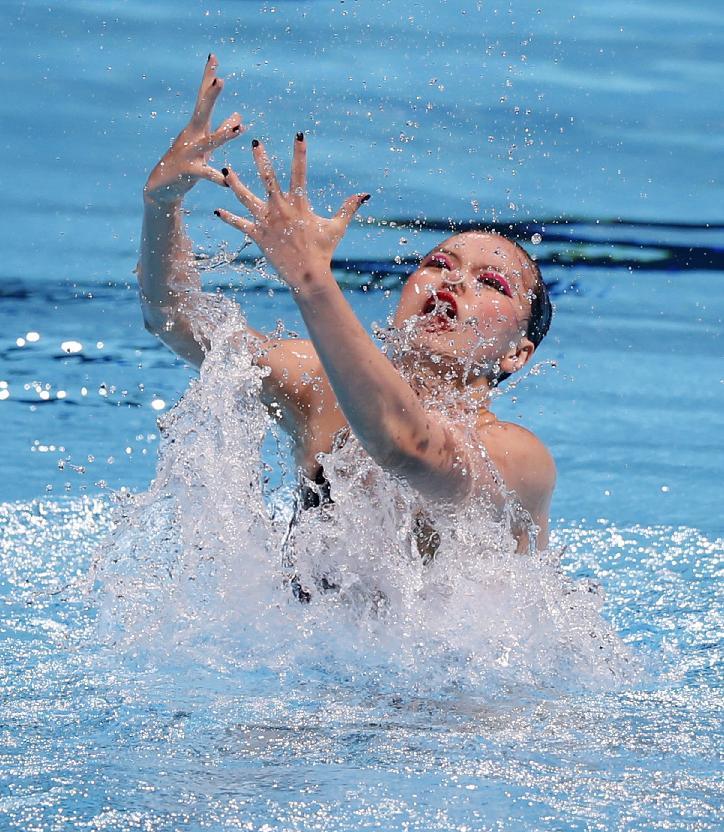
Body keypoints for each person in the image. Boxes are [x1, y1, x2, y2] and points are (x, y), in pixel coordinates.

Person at [138, 54, 555, 563]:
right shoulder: (318, 387)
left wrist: (311, 279)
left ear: (518, 354)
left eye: (490, 282)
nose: (453, 280)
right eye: (439, 262)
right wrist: (162, 206)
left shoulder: (517, 457)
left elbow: (409, 447)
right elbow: (175, 317)